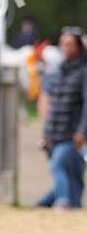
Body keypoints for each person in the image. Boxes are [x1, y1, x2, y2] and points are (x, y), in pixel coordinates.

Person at [36, 26, 87, 210]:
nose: (66, 48)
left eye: (70, 44)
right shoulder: (57, 71)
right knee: (72, 172)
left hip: (72, 133)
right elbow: (51, 104)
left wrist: (82, 131)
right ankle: (71, 204)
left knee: (57, 166)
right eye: (63, 44)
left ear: (78, 47)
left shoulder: (83, 71)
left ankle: (62, 202)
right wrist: (46, 133)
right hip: (55, 131)